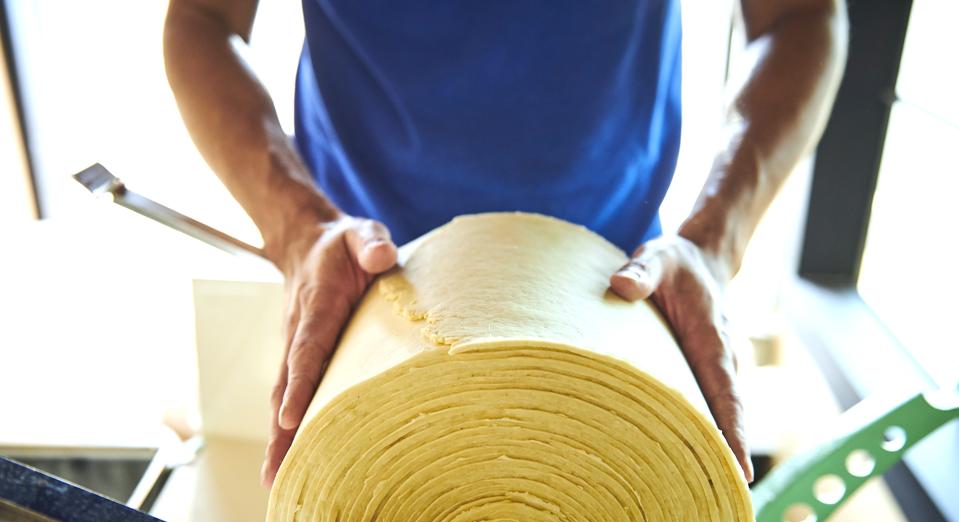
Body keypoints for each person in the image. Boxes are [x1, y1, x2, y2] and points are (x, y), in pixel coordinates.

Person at [164, 0, 847, 487]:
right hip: (367, 277)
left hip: (611, 280)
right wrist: (296, 227)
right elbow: (203, 18)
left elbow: (799, 14)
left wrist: (714, 241)